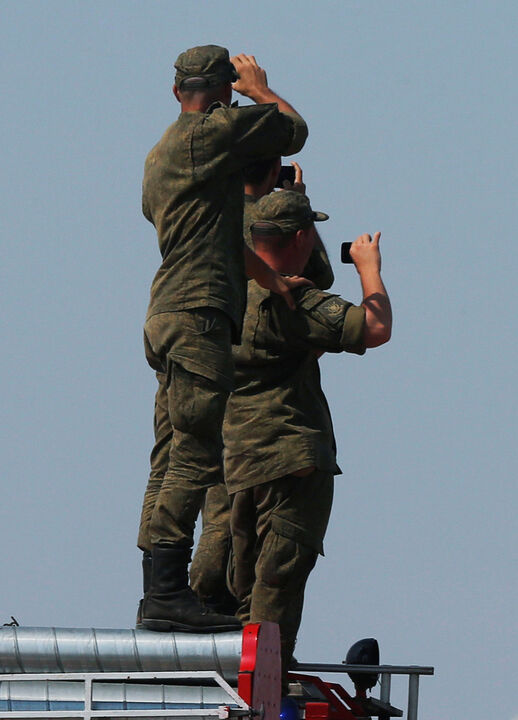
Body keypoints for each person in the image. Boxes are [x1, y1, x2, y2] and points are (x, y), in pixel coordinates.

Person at [137, 45, 310, 632]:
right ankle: (167, 593)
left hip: (167, 313)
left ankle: (157, 586)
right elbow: (293, 132)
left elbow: (213, 236)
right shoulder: (211, 132)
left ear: (175, 91)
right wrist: (259, 89)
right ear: (220, 95)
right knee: (198, 454)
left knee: (169, 453)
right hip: (200, 315)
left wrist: (271, 281)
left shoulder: (160, 154)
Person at [225, 190, 392, 662]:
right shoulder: (292, 300)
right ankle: (266, 676)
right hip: (291, 454)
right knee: (279, 576)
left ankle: (246, 667)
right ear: (301, 237)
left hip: (239, 458)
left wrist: (288, 199)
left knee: (245, 582)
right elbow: (375, 329)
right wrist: (369, 269)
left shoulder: (228, 290)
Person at [189, 160, 332, 615]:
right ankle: (239, 629)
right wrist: (298, 207)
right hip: (272, 431)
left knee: (221, 524)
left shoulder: (212, 223)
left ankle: (198, 611)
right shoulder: (269, 240)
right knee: (266, 562)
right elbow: (325, 284)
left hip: (218, 411)